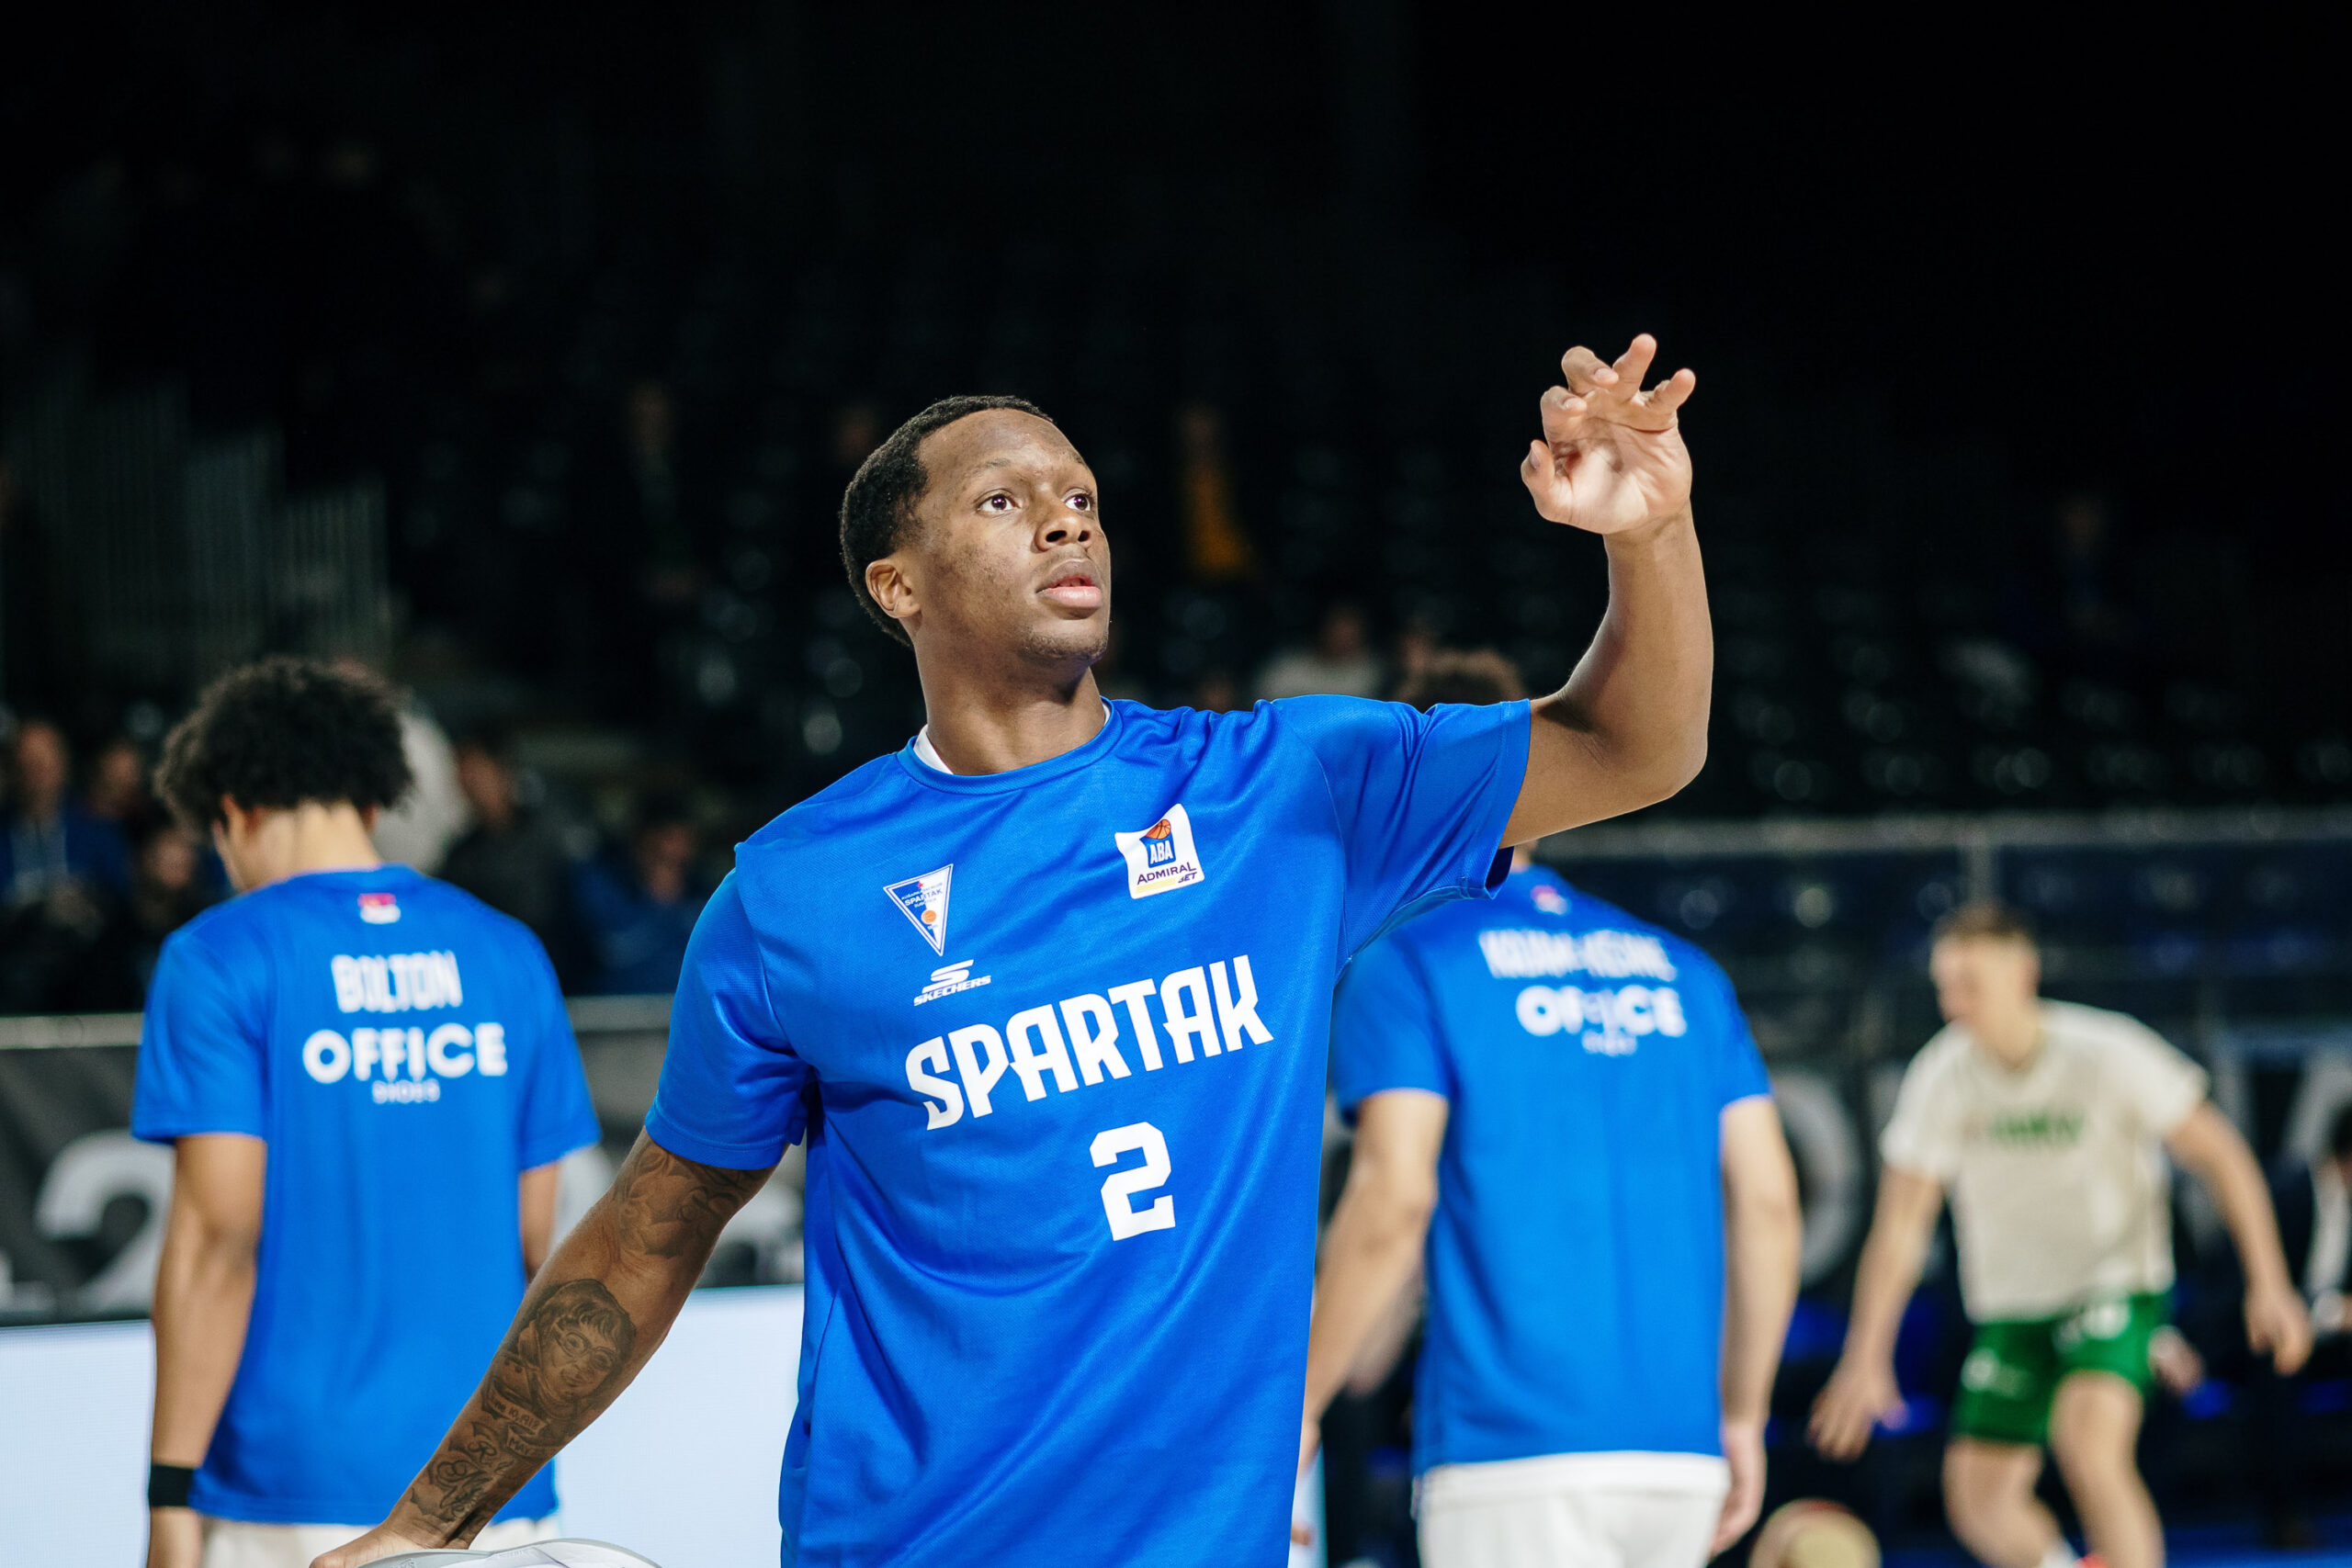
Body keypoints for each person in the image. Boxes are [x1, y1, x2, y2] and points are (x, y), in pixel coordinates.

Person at [320, 334, 1712, 1568]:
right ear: (897, 585)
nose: (1066, 518)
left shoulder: (1283, 790)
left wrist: (1649, 534)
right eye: (1005, 499)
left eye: (1083, 497)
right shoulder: (791, 895)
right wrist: (429, 1519)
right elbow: (647, 1233)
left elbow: (1635, 744)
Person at [1301, 649, 1801, 1568]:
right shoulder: (1685, 971)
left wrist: (1298, 1407)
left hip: (1511, 1453)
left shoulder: (1408, 962)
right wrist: (1741, 1413)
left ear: (1410, 779)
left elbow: (1394, 1202)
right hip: (1678, 1458)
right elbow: (1769, 1204)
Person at [133, 658, 602, 1568]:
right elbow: (534, 1238)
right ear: (373, 797)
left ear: (235, 812)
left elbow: (218, 1243)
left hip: (292, 1485)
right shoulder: (508, 952)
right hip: (489, 1478)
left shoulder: (219, 956)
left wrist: (169, 1494)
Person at [1809, 902, 2311, 1568]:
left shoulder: (2107, 1051)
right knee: (1978, 1501)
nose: (1954, 1005)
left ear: (2023, 973)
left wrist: (2269, 1284)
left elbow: (2223, 1156)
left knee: (2089, 1444)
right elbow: (1901, 1226)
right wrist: (1865, 1354)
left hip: (2114, 1288)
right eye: (1945, 987)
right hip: (2012, 1310)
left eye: (1970, 985)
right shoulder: (1941, 1073)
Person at [2250, 1100, 2352, 1546]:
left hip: (2331, 1341)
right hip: (2268, 1334)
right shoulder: (2286, 1192)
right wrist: (2330, 1312)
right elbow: (2251, 1288)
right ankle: (2285, 1516)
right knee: (2277, 1370)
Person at [441, 732, 582, 980]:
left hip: (555, 970)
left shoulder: (549, 832)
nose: (468, 781)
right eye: (462, 771)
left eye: (476, 770)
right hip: (496, 973)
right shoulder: (461, 856)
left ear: (501, 770)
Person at [569, 793, 707, 995]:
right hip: (608, 1011)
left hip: (681, 1010)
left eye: (684, 839)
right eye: (664, 838)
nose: (673, 851)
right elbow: (606, 952)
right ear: (639, 838)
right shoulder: (598, 887)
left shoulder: (705, 894)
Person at [1258, 600, 1385, 701]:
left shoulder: (1373, 673)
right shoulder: (1289, 667)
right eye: (1337, 632)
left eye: (1349, 636)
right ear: (1323, 630)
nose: (1342, 641)